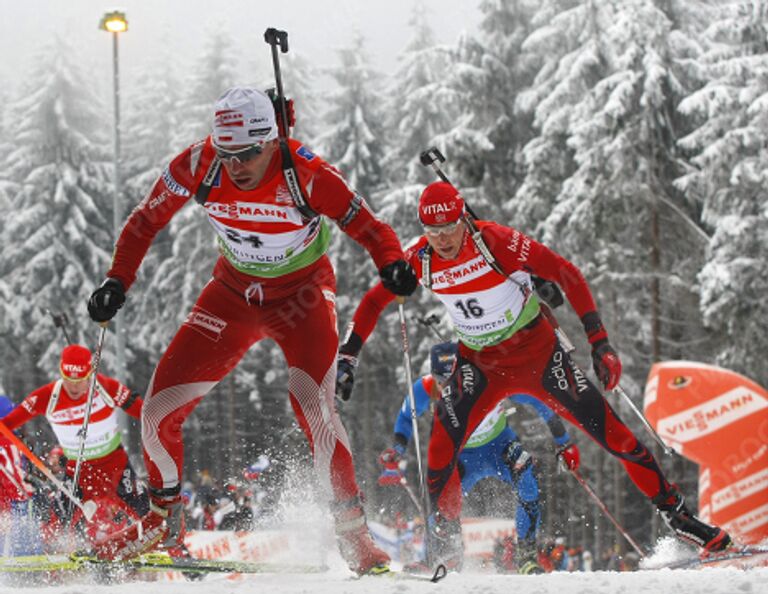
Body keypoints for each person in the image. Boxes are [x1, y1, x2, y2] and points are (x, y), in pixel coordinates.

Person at [86, 86, 417, 575]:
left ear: (270, 140)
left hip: (302, 295)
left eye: (246, 154)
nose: (235, 165)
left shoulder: (307, 173)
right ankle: (163, 521)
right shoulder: (199, 163)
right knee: (157, 411)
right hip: (233, 293)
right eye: (226, 153)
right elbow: (143, 221)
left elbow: (370, 226)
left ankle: (354, 537)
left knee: (314, 408)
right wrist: (117, 279)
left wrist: (391, 263)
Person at [336, 181, 730, 569]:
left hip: (538, 356)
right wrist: (349, 356)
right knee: (441, 444)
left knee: (614, 434)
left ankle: (680, 521)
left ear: (464, 220)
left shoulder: (497, 242)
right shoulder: (419, 259)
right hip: (479, 364)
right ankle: (446, 545)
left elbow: (566, 272)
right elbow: (372, 303)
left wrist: (599, 341)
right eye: (432, 231)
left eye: (450, 227)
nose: (442, 239)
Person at [378, 342, 580, 574]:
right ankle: (445, 556)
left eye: (451, 379)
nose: (446, 387)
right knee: (441, 497)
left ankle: (525, 557)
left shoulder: (490, 377)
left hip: (499, 446)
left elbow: (538, 401)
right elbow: (405, 417)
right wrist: (397, 449)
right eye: (440, 380)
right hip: (462, 456)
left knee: (526, 475)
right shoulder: (430, 387)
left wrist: (562, 440)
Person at [0, 346, 148, 536]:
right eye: (69, 380)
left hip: (115, 466)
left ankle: (174, 550)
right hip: (78, 469)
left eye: (80, 380)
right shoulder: (47, 396)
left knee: (142, 509)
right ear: (62, 373)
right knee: (57, 518)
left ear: (90, 374)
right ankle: (57, 557)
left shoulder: (106, 388)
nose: (74, 387)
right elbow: (8, 424)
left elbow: (145, 415)